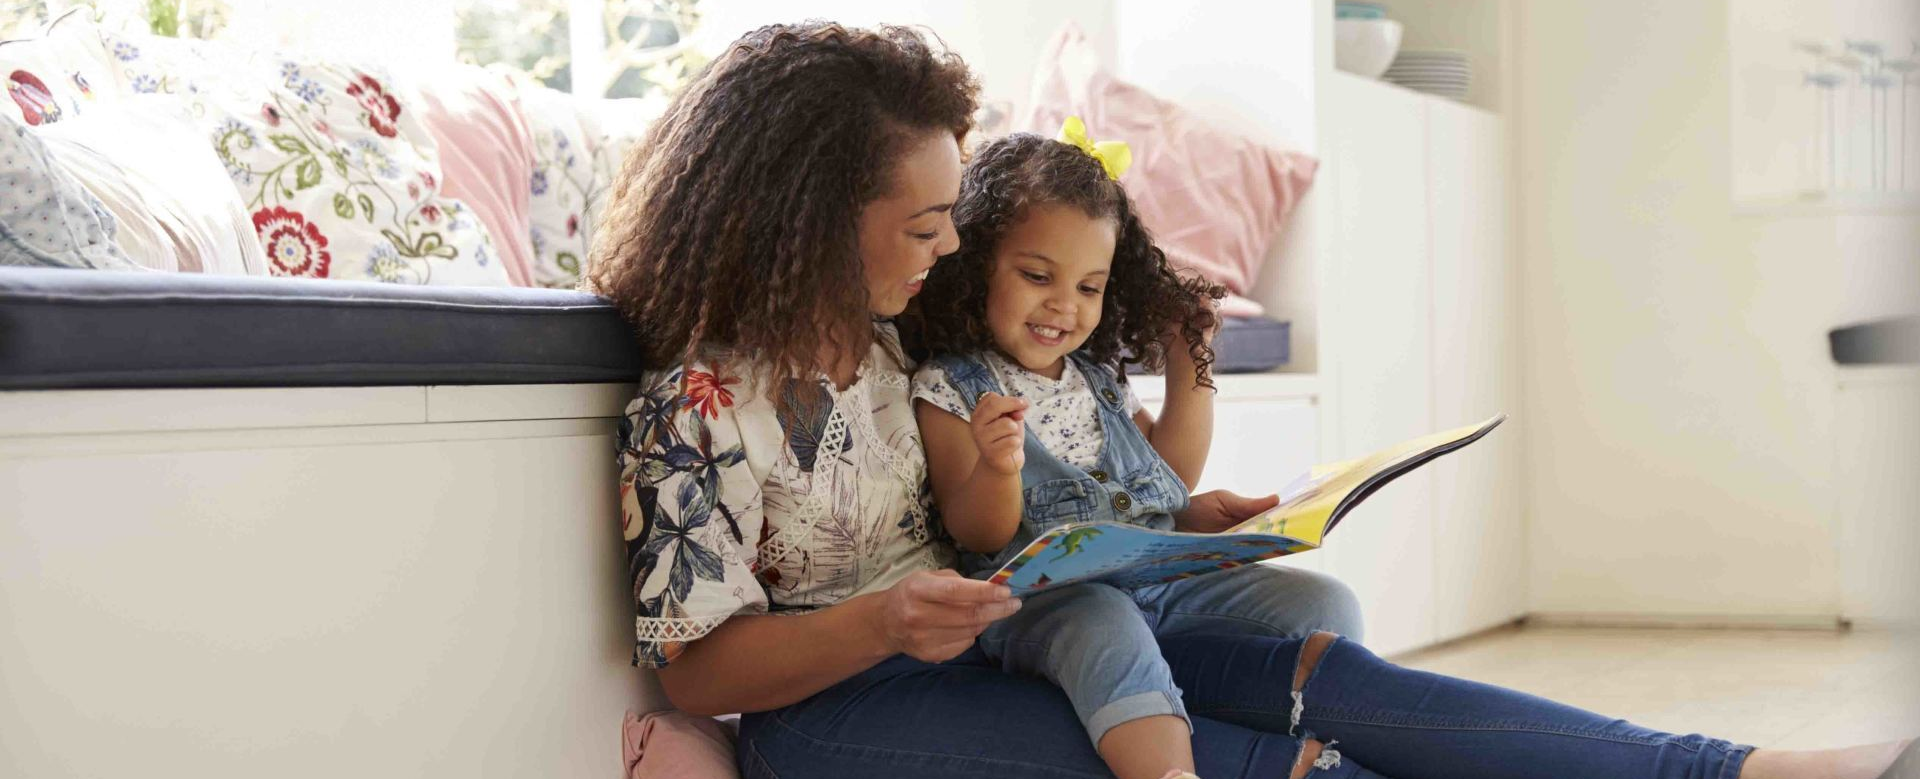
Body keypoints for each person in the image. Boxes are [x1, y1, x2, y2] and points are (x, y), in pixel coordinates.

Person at [588, 19, 1916, 779]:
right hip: (847, 713)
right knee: (1258, 750)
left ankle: (1734, 769)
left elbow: (1040, 438)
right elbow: (699, 659)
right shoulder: (694, 407)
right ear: (816, 217)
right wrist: (885, 618)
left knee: (1325, 668)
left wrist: (1168, 525)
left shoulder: (896, 348)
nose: (946, 249)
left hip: (1008, 628)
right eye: (925, 221)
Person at [910, 125, 1344, 779]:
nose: (1064, 304)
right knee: (1105, 622)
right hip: (1049, 607)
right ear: (975, 266)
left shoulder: (1095, 377)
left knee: (1324, 604)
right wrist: (999, 466)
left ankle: (1280, 723)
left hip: (1158, 584)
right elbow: (977, 530)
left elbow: (1164, 476)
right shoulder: (953, 385)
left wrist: (1188, 363)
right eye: (1036, 275)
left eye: (1089, 287)